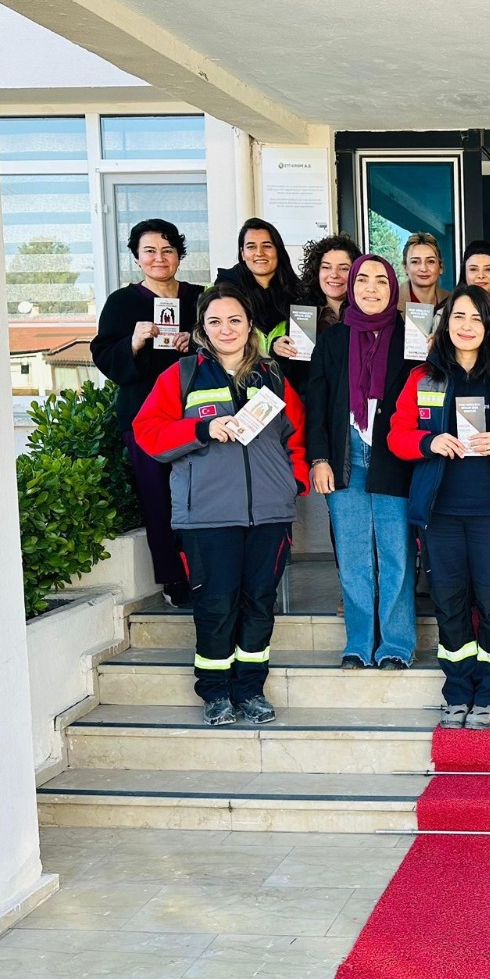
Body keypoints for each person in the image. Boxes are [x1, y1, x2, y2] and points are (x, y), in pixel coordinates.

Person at [132, 284, 308, 726]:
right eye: (215, 321)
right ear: (202, 328)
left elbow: (297, 437)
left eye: (234, 319)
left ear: (250, 324)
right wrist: (202, 430)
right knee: (215, 605)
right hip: (207, 516)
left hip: (269, 514)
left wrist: (294, 482)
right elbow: (148, 432)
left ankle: (250, 689)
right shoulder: (182, 375)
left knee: (259, 603)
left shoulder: (272, 377)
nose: (226, 329)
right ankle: (215, 693)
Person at [388, 286, 490, 729]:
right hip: (441, 515)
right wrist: (428, 441)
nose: (466, 325)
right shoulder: (422, 378)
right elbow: (397, 435)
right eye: (457, 317)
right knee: (450, 604)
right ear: (445, 324)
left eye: (476, 317)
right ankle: (457, 691)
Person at [305, 255, 418, 671]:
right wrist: (319, 458)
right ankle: (358, 642)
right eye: (364, 281)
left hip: (393, 455)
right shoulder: (333, 341)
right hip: (345, 454)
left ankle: (396, 645)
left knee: (396, 555)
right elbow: (316, 404)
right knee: (353, 556)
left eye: (382, 282)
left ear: (394, 289)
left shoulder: (411, 337)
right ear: (351, 287)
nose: (372, 289)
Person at [90, 218, 203, 608]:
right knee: (158, 499)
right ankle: (174, 580)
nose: (159, 258)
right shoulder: (122, 303)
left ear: (179, 255)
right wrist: (133, 343)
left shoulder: (199, 298)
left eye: (168, 250)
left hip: (197, 416)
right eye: (150, 251)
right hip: (145, 419)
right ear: (137, 258)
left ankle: (204, 573)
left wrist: (198, 341)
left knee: (200, 497)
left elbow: (226, 344)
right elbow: (103, 356)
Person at [215, 218, 307, 384]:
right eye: (251, 247)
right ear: (242, 253)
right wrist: (271, 348)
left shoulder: (300, 293)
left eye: (267, 246)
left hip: (290, 387)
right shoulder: (223, 293)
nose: (259, 253)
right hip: (238, 383)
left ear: (278, 250)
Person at [296, 235, 362, 335]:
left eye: (344, 268)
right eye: (326, 267)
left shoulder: (367, 310)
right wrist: (279, 346)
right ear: (316, 271)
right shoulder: (302, 311)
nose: (334, 275)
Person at [402, 232, 449, 308]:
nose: (423, 269)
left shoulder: (453, 302)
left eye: (430, 261)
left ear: (441, 267)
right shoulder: (390, 302)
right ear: (405, 268)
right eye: (415, 262)